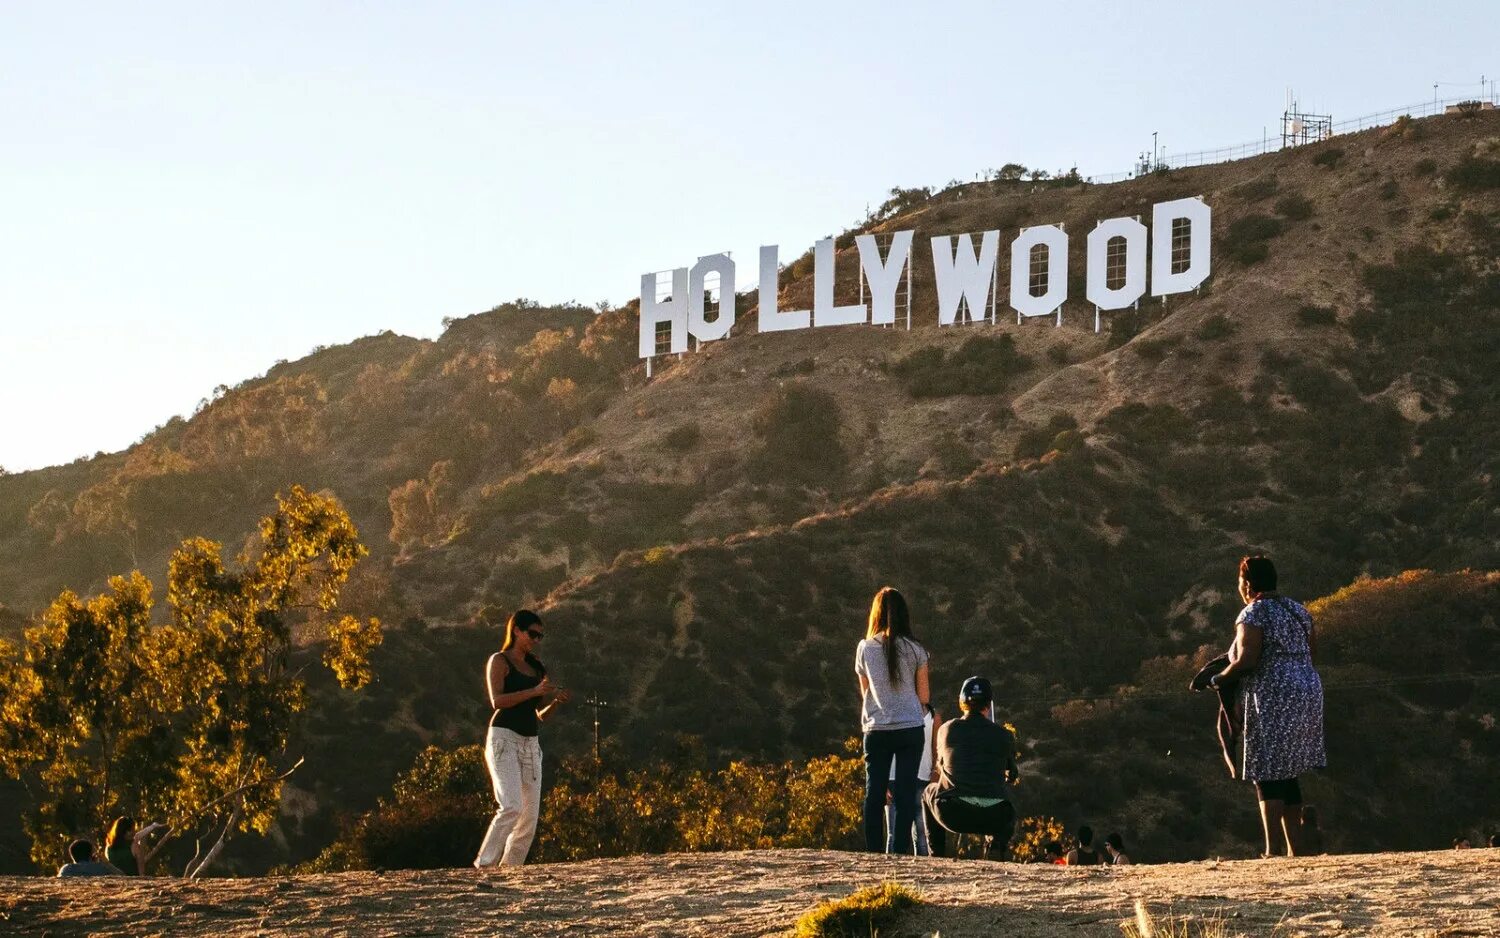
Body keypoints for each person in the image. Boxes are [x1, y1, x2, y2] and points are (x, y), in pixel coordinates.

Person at [1208, 556, 1326, 857]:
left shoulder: (1254, 612)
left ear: (1247, 584)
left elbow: (1247, 658)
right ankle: (1294, 847)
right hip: (1307, 691)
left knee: (1267, 770)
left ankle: (1272, 849)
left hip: (1272, 695)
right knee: (1289, 769)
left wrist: (1220, 677)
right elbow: (1310, 651)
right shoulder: (1298, 611)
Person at [474, 609, 570, 868]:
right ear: (516, 630)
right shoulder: (500, 661)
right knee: (511, 806)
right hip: (504, 738)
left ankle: (510, 869)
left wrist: (554, 703)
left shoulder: (537, 667)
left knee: (529, 817)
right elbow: (498, 701)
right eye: (532, 634)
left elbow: (536, 716)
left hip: (530, 742)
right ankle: (485, 865)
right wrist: (534, 691)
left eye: (541, 636)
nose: (536, 640)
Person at [855, 586, 930, 854]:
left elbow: (866, 693)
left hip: (877, 729)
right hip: (910, 727)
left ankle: (874, 853)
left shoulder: (864, 649)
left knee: (874, 793)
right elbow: (924, 695)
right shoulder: (916, 650)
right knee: (906, 793)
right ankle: (899, 851)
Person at [922, 676, 1018, 859]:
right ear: (988, 705)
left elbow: (941, 765)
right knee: (1008, 803)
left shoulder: (946, 729)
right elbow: (1012, 775)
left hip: (953, 813)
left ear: (961, 703)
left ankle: (936, 856)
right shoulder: (1004, 735)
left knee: (928, 792)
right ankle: (995, 850)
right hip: (993, 816)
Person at [886, 705, 942, 856]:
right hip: (894, 777)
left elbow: (937, 749)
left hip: (923, 778)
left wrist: (935, 775)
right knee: (893, 835)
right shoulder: (891, 711)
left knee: (922, 835)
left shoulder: (933, 716)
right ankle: (889, 874)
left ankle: (921, 875)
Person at [103, 816, 170, 875]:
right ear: (126, 831)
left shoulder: (109, 846)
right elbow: (136, 837)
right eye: (132, 830)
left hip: (115, 878)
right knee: (136, 846)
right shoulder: (133, 845)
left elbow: (137, 836)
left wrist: (153, 826)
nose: (134, 832)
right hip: (131, 877)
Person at [56, 840, 124, 877]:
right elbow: (123, 876)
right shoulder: (101, 868)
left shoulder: (67, 869)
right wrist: (107, 863)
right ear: (91, 854)